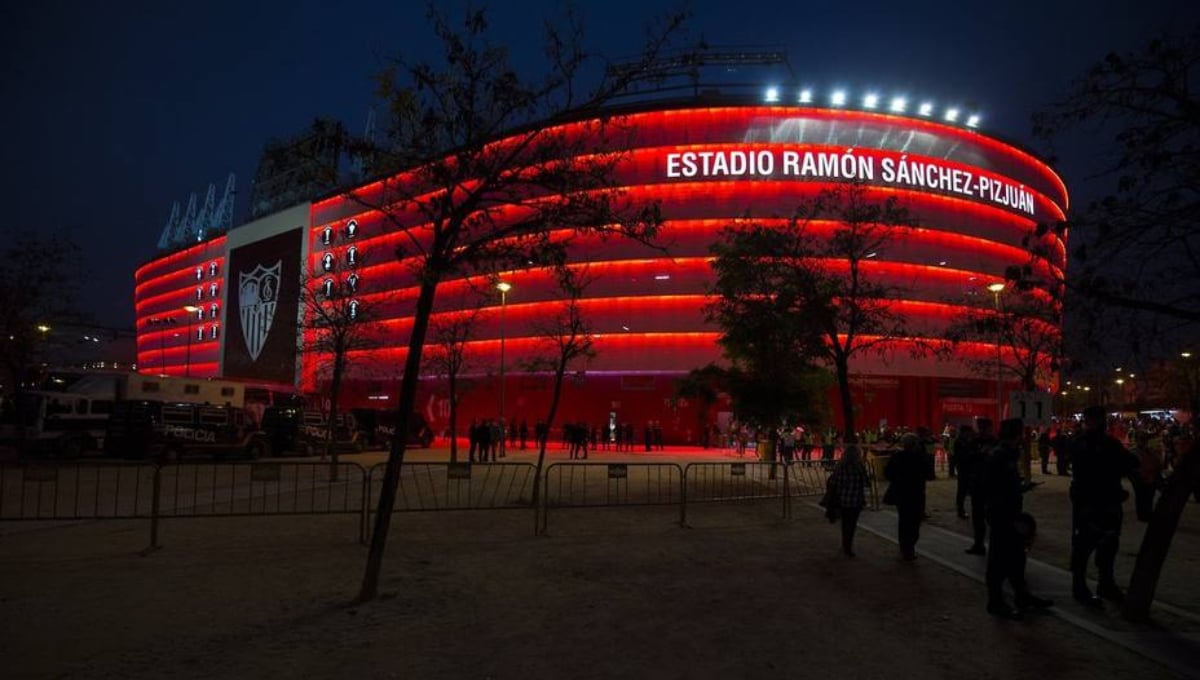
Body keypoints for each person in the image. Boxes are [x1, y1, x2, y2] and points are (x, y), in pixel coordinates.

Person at [1068, 405, 1139, 606]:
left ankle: (1102, 584)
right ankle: (1084, 586)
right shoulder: (1094, 443)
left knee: (1106, 544)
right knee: (1088, 545)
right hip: (1095, 501)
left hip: (1102, 501)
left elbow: (1129, 462)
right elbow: (1128, 462)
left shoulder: (1091, 442)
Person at [983, 418, 1053, 618]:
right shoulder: (1000, 456)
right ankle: (996, 602)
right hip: (1002, 513)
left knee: (1017, 557)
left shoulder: (1005, 455)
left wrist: (1020, 488)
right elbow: (994, 487)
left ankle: (1022, 596)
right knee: (999, 559)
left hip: (1008, 511)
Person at [884, 433, 935, 561]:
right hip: (916, 493)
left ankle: (906, 548)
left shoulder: (897, 456)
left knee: (905, 521)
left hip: (902, 493)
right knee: (914, 522)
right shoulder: (920, 457)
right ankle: (909, 547)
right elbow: (929, 474)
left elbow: (888, 473)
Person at [829, 438, 870, 557]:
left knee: (845, 523)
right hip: (855, 500)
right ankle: (848, 546)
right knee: (852, 524)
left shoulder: (839, 467)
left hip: (842, 499)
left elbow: (833, 481)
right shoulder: (859, 468)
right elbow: (866, 483)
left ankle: (844, 543)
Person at [963, 418, 996, 555]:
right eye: (980, 427)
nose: (982, 430)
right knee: (978, 517)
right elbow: (968, 459)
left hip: (991, 484)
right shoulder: (974, 442)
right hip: (977, 483)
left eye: (984, 427)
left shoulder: (995, 442)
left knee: (993, 517)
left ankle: (994, 546)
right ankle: (979, 544)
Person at [951, 424, 975, 519]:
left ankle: (962, 509)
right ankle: (960, 510)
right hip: (963, 469)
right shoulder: (959, 442)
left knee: (967, 490)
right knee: (962, 490)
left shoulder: (966, 441)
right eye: (968, 432)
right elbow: (962, 456)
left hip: (968, 469)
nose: (969, 434)